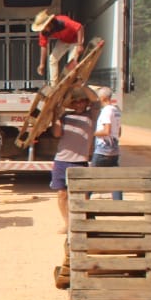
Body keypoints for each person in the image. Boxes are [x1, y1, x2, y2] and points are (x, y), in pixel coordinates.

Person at [50, 86, 97, 231]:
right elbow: (57, 134)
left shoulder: (91, 115)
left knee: (82, 196)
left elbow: (96, 100)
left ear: (86, 102)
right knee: (62, 194)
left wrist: (81, 85)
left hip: (80, 162)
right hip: (61, 160)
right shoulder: (65, 117)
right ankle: (67, 223)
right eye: (75, 102)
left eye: (82, 101)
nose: (79, 104)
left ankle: (83, 223)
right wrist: (56, 118)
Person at [33, 10, 85, 86]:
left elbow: (80, 27)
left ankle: (69, 85)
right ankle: (54, 85)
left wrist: (80, 45)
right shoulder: (44, 32)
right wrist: (42, 64)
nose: (43, 30)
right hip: (63, 40)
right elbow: (43, 46)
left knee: (71, 64)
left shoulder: (63, 22)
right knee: (52, 59)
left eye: (44, 27)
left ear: (48, 23)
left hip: (76, 41)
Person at [90, 85, 123, 201]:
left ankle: (83, 202)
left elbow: (106, 131)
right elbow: (118, 132)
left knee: (90, 178)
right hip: (114, 150)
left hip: (102, 150)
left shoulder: (106, 111)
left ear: (103, 98)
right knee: (115, 179)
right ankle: (118, 202)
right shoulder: (116, 110)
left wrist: (93, 133)